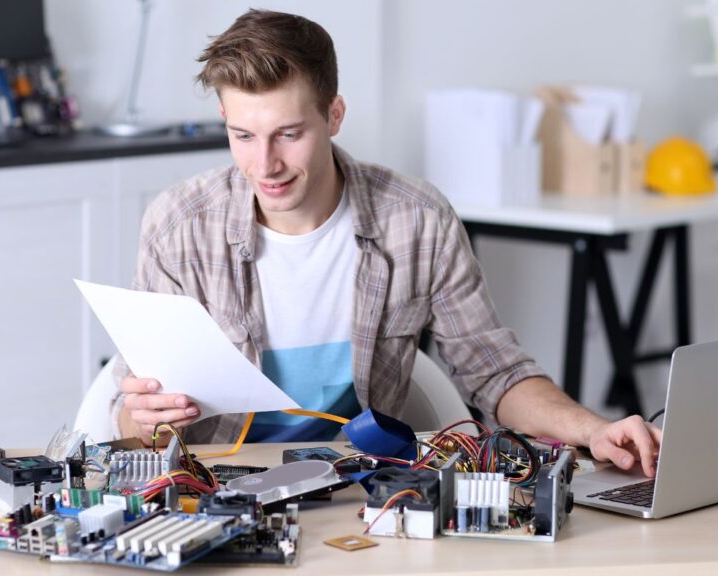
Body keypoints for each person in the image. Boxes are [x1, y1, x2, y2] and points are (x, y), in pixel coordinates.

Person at [112, 9, 661, 476]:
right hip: (219, 491)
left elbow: (495, 373)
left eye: (289, 133)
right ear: (224, 120)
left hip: (364, 490)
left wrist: (593, 429)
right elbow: (127, 409)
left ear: (334, 115)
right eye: (243, 136)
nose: (266, 165)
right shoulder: (179, 226)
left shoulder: (418, 220)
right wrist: (139, 418)